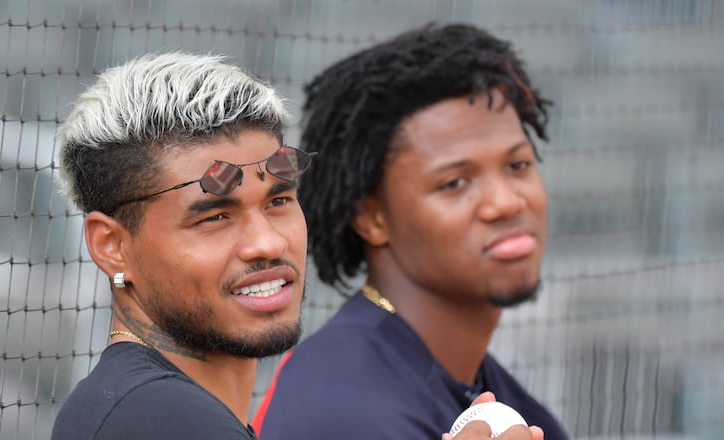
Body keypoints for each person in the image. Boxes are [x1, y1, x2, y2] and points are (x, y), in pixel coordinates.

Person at [257, 23, 569, 440]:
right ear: (371, 217)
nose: (507, 202)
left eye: (518, 165)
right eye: (454, 182)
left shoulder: (490, 388)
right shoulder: (345, 410)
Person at [51, 52, 312, 439]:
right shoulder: (165, 418)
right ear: (112, 246)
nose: (268, 243)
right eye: (214, 217)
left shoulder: (133, 403)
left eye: (278, 201)